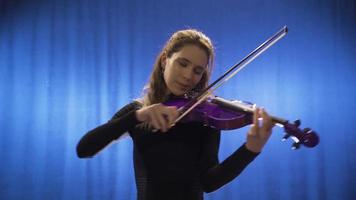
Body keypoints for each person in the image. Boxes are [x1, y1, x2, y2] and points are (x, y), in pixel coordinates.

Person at [76, 29, 274, 200]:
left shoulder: (205, 117)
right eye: (182, 63)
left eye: (197, 71)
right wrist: (137, 116)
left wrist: (250, 150)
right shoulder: (139, 111)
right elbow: (84, 149)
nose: (188, 76)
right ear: (165, 60)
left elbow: (209, 182)